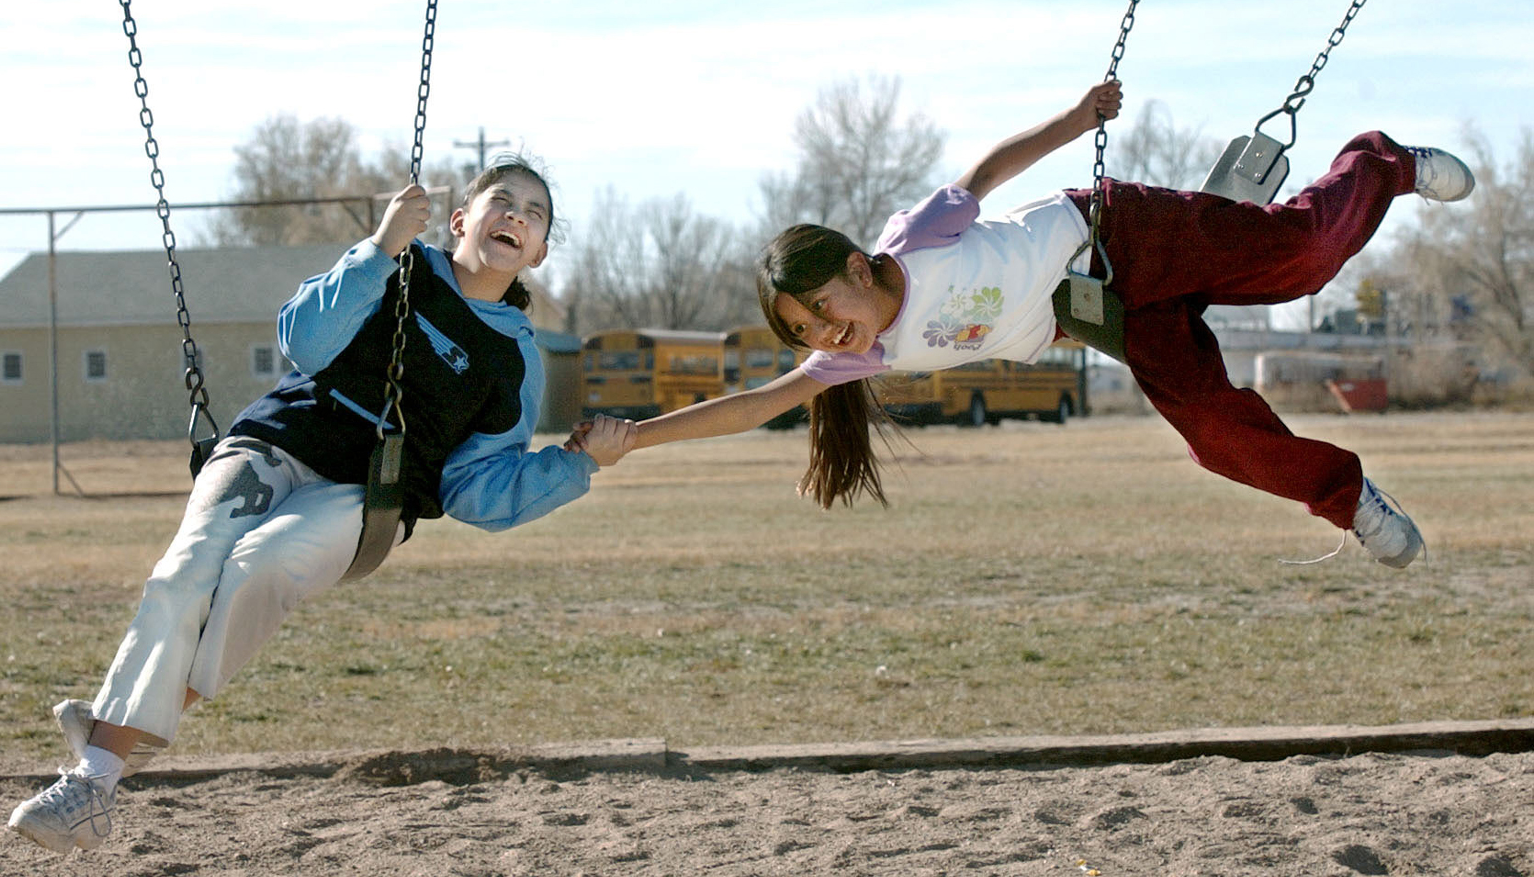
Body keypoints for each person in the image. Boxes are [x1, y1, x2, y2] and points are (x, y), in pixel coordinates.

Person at [8, 155, 638, 854]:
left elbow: (477, 488)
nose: (516, 214)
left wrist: (577, 463)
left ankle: (114, 734)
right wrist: (379, 247)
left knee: (260, 566)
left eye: (535, 212)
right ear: (461, 220)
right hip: (278, 439)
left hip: (372, 492)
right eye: (503, 200)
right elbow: (302, 340)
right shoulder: (398, 265)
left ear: (540, 253)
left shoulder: (514, 359)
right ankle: (98, 777)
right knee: (186, 572)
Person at [575, 80, 1470, 571]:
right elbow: (748, 406)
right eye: (803, 329)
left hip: (1121, 235)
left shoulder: (908, 244)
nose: (824, 332)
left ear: (856, 267)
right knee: (1212, 436)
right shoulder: (860, 357)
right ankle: (1347, 498)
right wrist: (633, 438)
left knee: (1301, 259)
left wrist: (1077, 119)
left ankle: (1381, 163)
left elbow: (987, 170)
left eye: (823, 307)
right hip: (1115, 318)